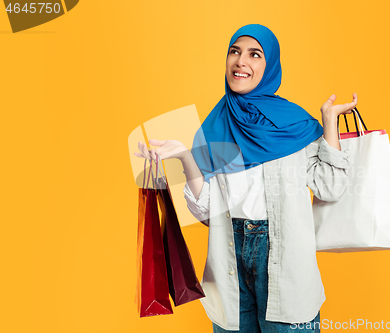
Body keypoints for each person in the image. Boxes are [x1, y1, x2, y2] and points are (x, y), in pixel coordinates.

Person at [135, 24, 357, 333]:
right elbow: (207, 213)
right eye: (234, 52)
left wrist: (329, 122)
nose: (241, 61)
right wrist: (186, 158)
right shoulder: (214, 129)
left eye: (255, 54)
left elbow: (331, 187)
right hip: (228, 259)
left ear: (269, 66)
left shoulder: (294, 124)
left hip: (285, 261)